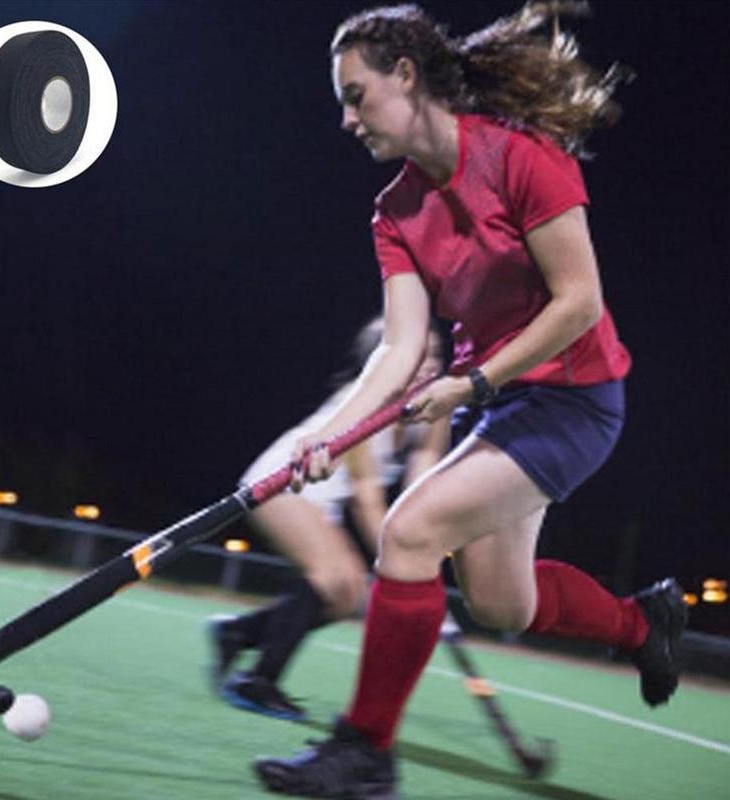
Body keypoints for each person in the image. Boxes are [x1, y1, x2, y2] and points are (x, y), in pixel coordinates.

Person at [253, 4, 688, 798]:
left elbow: (580, 303)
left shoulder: (524, 159)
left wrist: (477, 381)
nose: (346, 118)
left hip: (576, 400)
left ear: (408, 77)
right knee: (500, 602)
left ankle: (364, 754)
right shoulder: (394, 211)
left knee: (409, 534)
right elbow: (397, 347)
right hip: (505, 403)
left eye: (357, 95)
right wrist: (334, 436)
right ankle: (641, 621)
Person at [208, 318, 448, 720]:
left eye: (436, 356)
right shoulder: (365, 405)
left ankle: (241, 632)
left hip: (323, 502)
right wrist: (408, 564)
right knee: (331, 575)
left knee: (348, 596)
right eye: (418, 355)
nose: (429, 365)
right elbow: (366, 501)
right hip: (282, 483)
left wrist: (425, 550)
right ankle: (258, 682)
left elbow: (422, 477)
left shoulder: (435, 407)